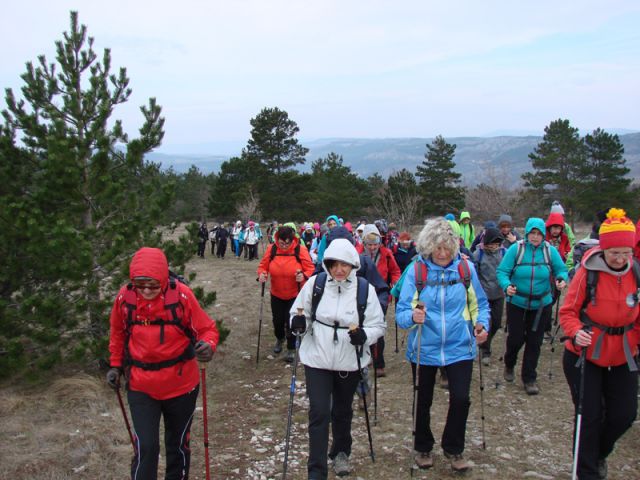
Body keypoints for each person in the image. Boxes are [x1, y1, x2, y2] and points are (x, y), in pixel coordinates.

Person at [106, 247, 219, 480]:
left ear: (164, 280)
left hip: (181, 385)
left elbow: (207, 328)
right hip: (141, 386)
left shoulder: (182, 296)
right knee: (146, 447)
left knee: (177, 445)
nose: (146, 290)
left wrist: (208, 345)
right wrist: (115, 366)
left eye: (153, 285)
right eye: (140, 285)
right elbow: (117, 333)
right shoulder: (124, 299)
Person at [396, 217, 490, 473]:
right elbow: (402, 312)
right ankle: (423, 446)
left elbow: (480, 304)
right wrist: (412, 317)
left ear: (454, 247)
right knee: (422, 399)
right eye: (437, 248)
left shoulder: (465, 271)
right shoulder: (417, 272)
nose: (442, 253)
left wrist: (482, 326)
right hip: (423, 347)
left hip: (460, 346)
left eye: (446, 248)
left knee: (461, 399)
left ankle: (453, 447)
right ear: (428, 247)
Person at [290, 238, 386, 479]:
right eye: (334, 264)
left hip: (349, 359)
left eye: (344, 264)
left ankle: (341, 452)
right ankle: (316, 470)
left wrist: (365, 335)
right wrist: (298, 324)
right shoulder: (315, 284)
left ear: (353, 264)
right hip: (317, 358)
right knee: (319, 412)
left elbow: (378, 325)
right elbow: (298, 313)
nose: (339, 269)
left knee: (343, 411)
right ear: (327, 264)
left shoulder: (365, 289)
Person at [560, 208, 639, 480]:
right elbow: (568, 311)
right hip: (585, 353)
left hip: (624, 353)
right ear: (604, 249)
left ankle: (599, 454)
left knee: (624, 415)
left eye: (625, 253)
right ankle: (587, 471)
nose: (620, 258)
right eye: (614, 252)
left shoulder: (636, 274)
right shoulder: (587, 272)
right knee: (589, 416)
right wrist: (576, 331)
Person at [496, 217, 568, 395]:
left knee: (534, 343)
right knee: (516, 338)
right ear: (527, 234)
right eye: (532, 233)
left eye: (539, 234)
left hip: (541, 304)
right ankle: (509, 363)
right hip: (517, 302)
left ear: (543, 235)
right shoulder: (516, 249)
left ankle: (529, 378)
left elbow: (561, 269)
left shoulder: (550, 251)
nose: (535, 237)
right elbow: (502, 271)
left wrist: (561, 280)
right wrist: (507, 286)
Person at [258, 226, 315, 362]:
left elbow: (310, 268)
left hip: (295, 293)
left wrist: (304, 275)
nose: (283, 246)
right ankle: (279, 338)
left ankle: (291, 347)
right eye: (281, 243)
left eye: (287, 243)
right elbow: (263, 266)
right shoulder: (272, 248)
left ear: (292, 240)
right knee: (277, 321)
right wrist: (262, 274)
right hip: (276, 293)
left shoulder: (299, 249)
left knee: (291, 322)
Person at [356, 224, 401, 377]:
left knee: (378, 329)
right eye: (370, 244)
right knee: (361, 327)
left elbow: (395, 271)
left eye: (376, 244)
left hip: (381, 296)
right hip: (360, 297)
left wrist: (395, 282)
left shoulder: (387, 254)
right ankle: (365, 356)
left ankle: (379, 363)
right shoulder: (357, 254)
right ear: (364, 243)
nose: (373, 247)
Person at [473, 227, 506, 366]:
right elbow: (473, 274)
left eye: (496, 243)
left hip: (499, 294)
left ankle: (484, 342)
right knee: (487, 323)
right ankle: (485, 350)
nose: (493, 246)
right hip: (483, 295)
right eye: (491, 243)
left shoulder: (504, 253)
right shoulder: (478, 254)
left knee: (497, 323)